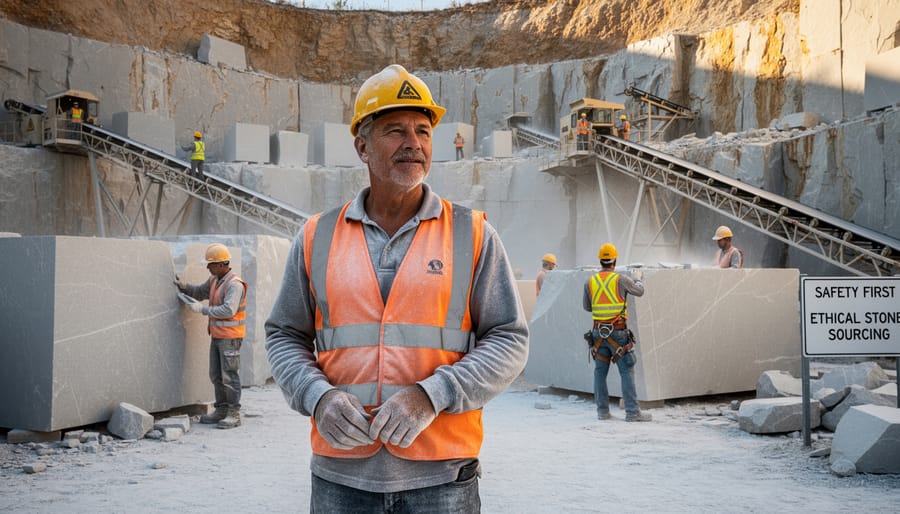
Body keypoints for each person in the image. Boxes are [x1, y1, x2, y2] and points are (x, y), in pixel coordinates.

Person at [265, 64, 529, 514]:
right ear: (362, 146)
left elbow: (509, 339)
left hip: (443, 477)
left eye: (423, 131)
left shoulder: (472, 233)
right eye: (395, 130)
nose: (413, 143)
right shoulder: (317, 236)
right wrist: (318, 397)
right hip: (340, 479)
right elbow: (284, 335)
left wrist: (432, 395)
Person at [174, 243, 248, 429]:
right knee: (216, 375)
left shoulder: (234, 285)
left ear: (222, 264)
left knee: (229, 376)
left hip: (230, 338)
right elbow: (200, 292)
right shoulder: (215, 280)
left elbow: (228, 310)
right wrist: (184, 287)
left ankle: (233, 413)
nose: (208, 267)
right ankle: (221, 409)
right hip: (217, 335)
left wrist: (203, 309)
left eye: (211, 264)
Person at [582, 243, 651, 422]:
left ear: (600, 261)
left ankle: (602, 412)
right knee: (626, 371)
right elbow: (640, 291)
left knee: (599, 372)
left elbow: (587, 307)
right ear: (614, 261)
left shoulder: (590, 281)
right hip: (618, 333)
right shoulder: (621, 279)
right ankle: (632, 412)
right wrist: (637, 278)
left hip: (598, 334)